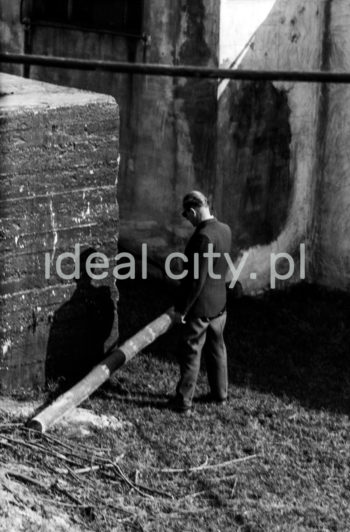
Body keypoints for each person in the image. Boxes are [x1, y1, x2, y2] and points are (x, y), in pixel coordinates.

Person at [172, 191, 232, 413]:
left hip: (201, 307)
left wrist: (182, 309)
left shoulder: (202, 237)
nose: (188, 221)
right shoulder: (225, 230)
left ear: (194, 211)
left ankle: (184, 401)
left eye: (187, 216)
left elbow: (196, 280)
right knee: (218, 349)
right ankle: (221, 395)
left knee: (191, 351)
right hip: (220, 304)